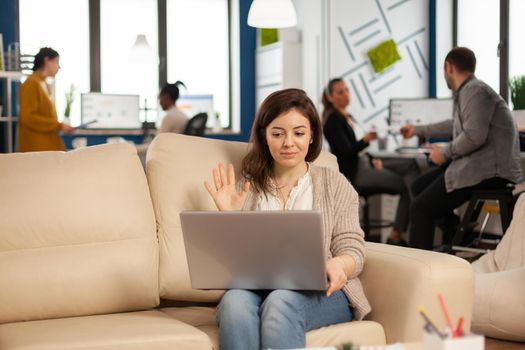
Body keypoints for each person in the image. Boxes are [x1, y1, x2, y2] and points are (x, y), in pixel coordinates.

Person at [204, 88, 370, 350]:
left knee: (280, 301)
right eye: (278, 134)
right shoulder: (246, 187)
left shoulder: (334, 184)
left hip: (323, 292)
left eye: (299, 133)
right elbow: (231, 265)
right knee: (234, 304)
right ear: (265, 136)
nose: (288, 143)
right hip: (257, 288)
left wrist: (340, 264)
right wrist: (230, 218)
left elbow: (353, 248)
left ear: (312, 134)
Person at [400, 47, 523, 250]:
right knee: (418, 186)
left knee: (420, 209)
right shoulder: (472, 91)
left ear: (449, 67)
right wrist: (417, 130)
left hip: (489, 171)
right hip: (484, 167)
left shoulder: (474, 91)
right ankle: (456, 233)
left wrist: (445, 152)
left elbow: (474, 136)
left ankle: (419, 266)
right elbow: (455, 125)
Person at [322, 78, 419, 246]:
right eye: (340, 92)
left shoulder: (348, 117)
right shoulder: (332, 121)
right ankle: (397, 234)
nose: (346, 95)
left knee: (410, 165)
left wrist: (373, 158)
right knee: (407, 184)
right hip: (356, 172)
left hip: (365, 163)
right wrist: (366, 140)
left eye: (347, 90)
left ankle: (408, 223)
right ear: (330, 97)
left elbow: (361, 149)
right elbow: (346, 151)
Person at [18, 47, 74, 152]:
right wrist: (58, 125)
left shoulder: (43, 84)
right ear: (47, 60)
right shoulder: (31, 83)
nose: (59, 67)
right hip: (37, 151)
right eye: (56, 62)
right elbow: (28, 118)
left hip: (47, 148)